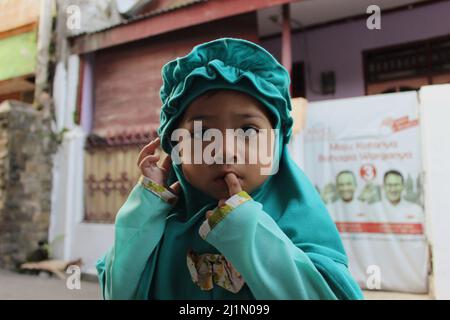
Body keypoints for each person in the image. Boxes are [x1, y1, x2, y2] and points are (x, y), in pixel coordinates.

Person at [96, 38, 363, 300]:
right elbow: (118, 291)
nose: (225, 150)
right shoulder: (155, 225)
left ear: (277, 144)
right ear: (175, 149)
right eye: (202, 133)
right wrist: (145, 211)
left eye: (248, 130)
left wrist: (248, 232)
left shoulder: (299, 224)